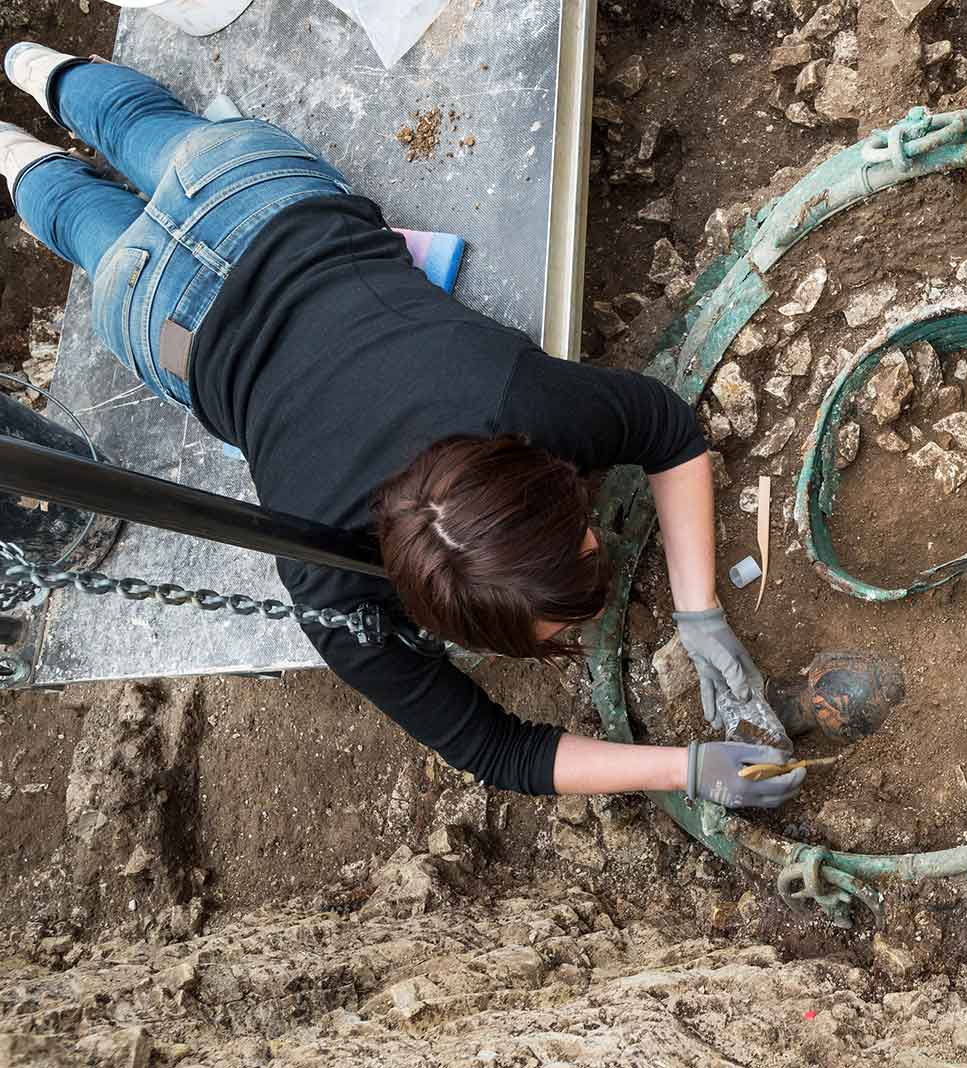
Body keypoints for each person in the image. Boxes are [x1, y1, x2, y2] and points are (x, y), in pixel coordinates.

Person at [0, 45, 803, 810]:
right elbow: (494, 749)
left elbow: (667, 431)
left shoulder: (516, 406)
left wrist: (700, 616)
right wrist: (685, 767)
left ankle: (22, 90)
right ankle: (30, 90)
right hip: (185, 320)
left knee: (127, 150)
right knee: (112, 179)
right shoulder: (335, 587)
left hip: (240, 208)